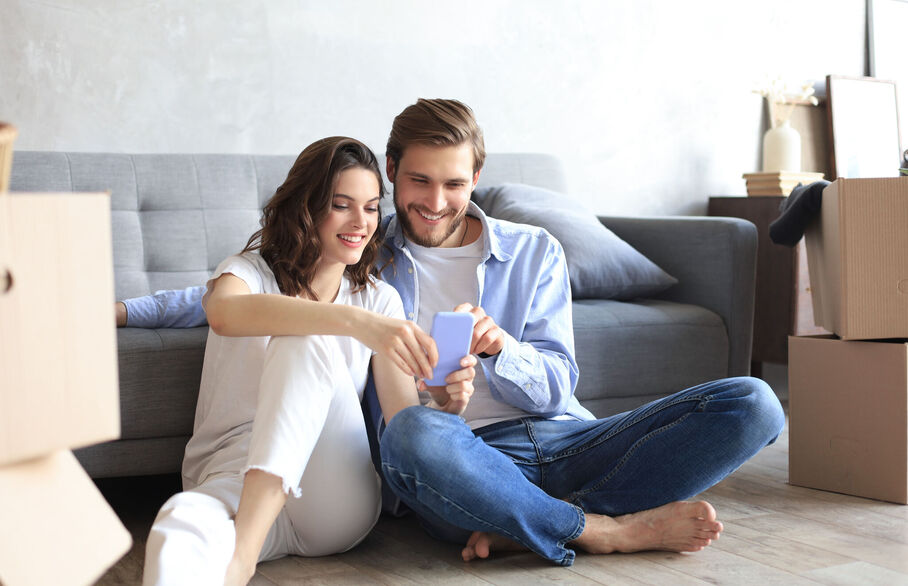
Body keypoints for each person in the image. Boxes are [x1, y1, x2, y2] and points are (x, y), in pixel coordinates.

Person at [122, 99, 786, 568]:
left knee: (753, 403)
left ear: (476, 179)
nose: (434, 201)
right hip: (451, 457)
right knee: (413, 431)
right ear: (391, 169)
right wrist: (123, 311)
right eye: (417, 181)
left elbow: (559, 381)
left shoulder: (533, 252)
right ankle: (599, 530)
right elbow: (258, 287)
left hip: (562, 435)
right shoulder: (366, 255)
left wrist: (502, 350)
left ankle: (528, 526)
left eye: (454, 184)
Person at [140, 136, 476, 586]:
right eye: (342, 205)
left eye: (373, 207)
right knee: (178, 523)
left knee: (304, 342)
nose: (361, 222)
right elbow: (222, 314)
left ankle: (241, 558)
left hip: (330, 496)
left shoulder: (379, 299)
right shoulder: (247, 271)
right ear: (307, 207)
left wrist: (443, 404)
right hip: (231, 477)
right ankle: (247, 543)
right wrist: (355, 323)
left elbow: (401, 421)